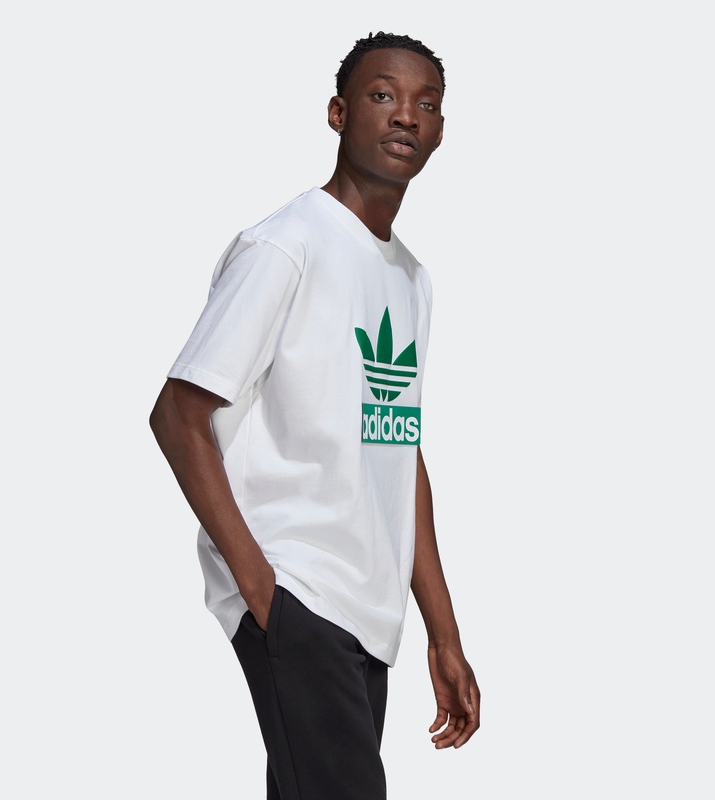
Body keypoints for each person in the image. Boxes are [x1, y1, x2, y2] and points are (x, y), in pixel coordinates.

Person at [149, 31, 480, 800]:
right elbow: (177, 414)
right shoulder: (287, 245)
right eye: (383, 95)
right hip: (299, 593)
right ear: (338, 113)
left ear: (440, 130)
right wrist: (263, 590)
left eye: (426, 103)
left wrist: (443, 633)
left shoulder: (411, 278)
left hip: (367, 613)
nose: (406, 115)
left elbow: (396, 450)